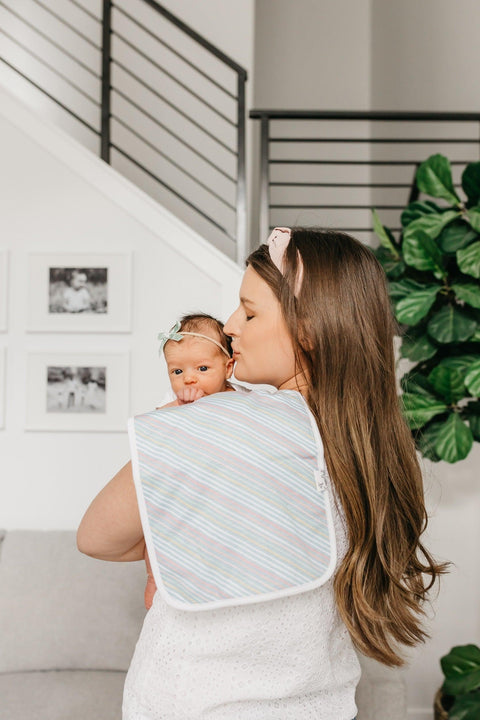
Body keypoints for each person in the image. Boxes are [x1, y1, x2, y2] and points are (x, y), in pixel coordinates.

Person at [77, 227, 446, 720]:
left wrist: (186, 430)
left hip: (194, 705)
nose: (229, 325)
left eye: (249, 312)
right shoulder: (375, 445)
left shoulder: (207, 425)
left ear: (310, 329)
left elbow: (96, 537)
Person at [143, 313, 236, 609]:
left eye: (202, 368)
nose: (189, 378)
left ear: (228, 367)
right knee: (155, 531)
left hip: (219, 494)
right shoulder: (175, 404)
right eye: (177, 371)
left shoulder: (239, 401)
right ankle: (154, 576)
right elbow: (155, 429)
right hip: (181, 490)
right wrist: (181, 408)